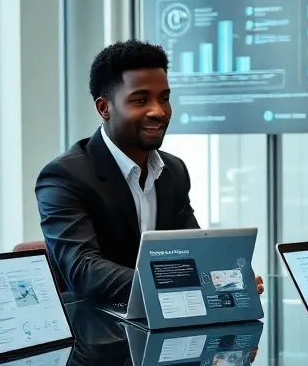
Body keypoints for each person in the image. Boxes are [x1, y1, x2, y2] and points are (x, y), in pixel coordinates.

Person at [36, 40, 199, 303]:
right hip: (96, 329)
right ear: (104, 108)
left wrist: (225, 276)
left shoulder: (174, 170)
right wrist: (172, 282)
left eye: (165, 99)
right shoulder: (64, 176)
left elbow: (195, 249)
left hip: (167, 321)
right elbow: (83, 271)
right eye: (140, 100)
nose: (158, 111)